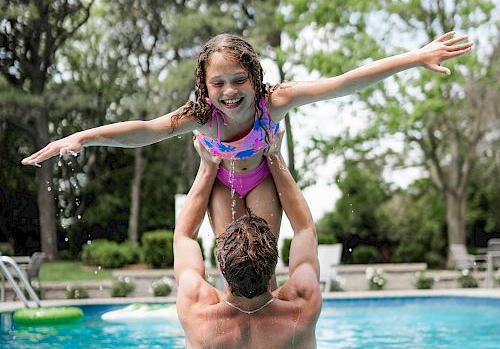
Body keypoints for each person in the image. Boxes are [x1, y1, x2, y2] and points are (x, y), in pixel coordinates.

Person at [22, 31, 473, 239]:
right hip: (221, 184)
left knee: (264, 258)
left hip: (261, 181)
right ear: (205, 86)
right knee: (231, 258)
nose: (229, 91)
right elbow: (144, 131)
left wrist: (414, 57)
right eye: (218, 83)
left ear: (254, 78)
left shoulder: (273, 101)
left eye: (238, 79)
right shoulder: (200, 115)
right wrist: (82, 137)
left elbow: (343, 82)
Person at [173, 131, 321, 349]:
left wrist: (207, 168)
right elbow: (304, 229)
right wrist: (274, 158)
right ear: (274, 264)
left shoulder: (197, 311)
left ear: (221, 266)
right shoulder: (302, 306)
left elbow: (184, 236)